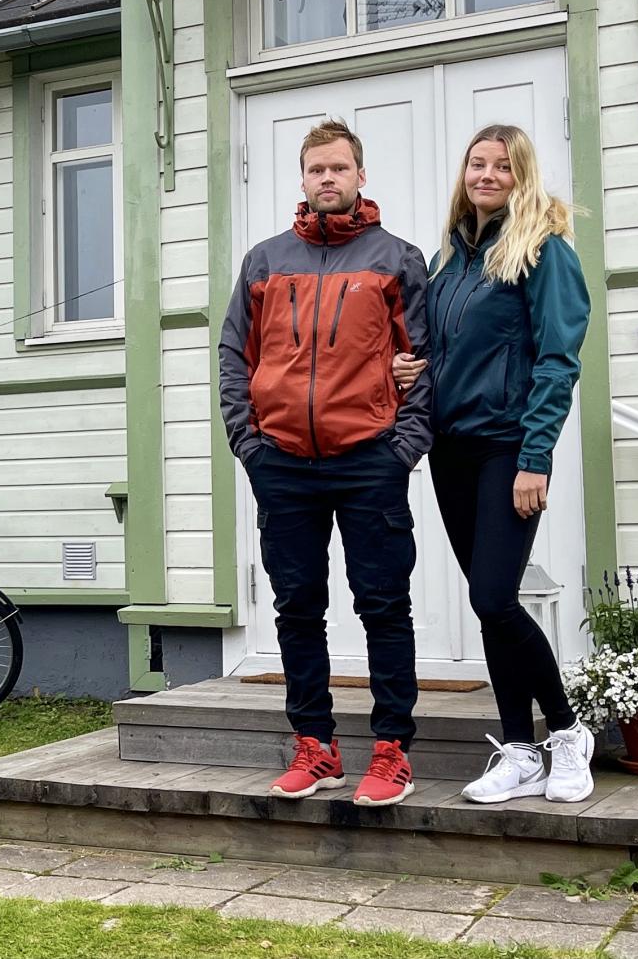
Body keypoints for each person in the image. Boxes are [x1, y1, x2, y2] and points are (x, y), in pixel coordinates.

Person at [218, 118, 433, 807]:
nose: (328, 180)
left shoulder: (397, 259)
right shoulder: (264, 261)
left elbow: (424, 361)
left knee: (382, 605)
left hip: (369, 457)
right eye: (317, 170)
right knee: (297, 607)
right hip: (281, 461)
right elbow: (233, 355)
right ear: (303, 179)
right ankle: (316, 746)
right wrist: (247, 442)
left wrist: (403, 446)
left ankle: (392, 749)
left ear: (361, 175)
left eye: (339, 168)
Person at [391, 124, 595, 804]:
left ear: (521, 175)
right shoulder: (449, 261)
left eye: (501, 166)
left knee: (494, 597)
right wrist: (409, 369)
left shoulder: (541, 252)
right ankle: (518, 750)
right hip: (452, 450)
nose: (486, 174)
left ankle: (566, 731)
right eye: (476, 163)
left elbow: (558, 359)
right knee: (490, 607)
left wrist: (536, 457)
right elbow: (441, 351)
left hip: (508, 447)